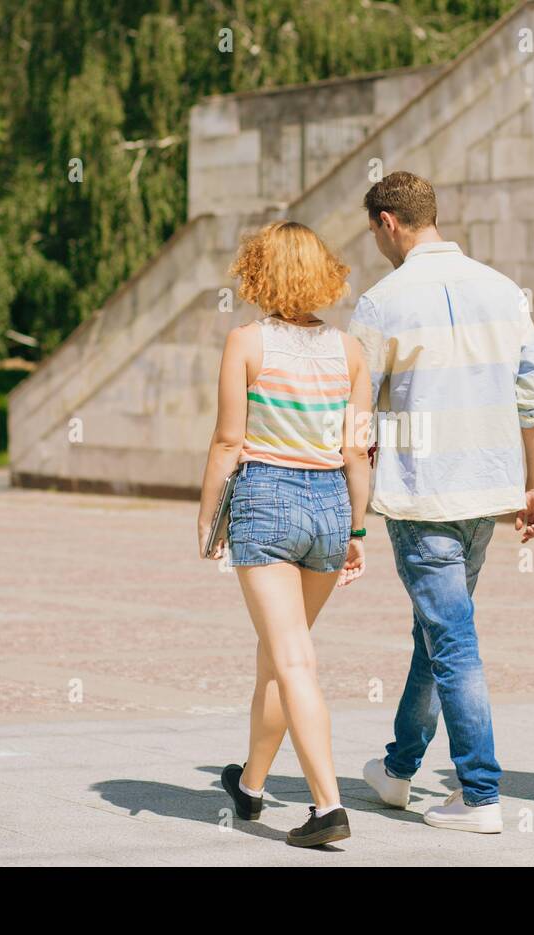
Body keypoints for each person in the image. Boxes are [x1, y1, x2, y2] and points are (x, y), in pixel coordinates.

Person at [350, 171, 534, 833]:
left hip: (422, 493)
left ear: (388, 222)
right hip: (488, 491)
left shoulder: (382, 302)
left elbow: (357, 414)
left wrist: (347, 501)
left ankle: (478, 791)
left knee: (453, 641)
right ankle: (400, 769)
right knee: (439, 633)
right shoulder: (503, 291)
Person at [197, 221, 372, 848]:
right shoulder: (350, 352)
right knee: (276, 655)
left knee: (293, 659)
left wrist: (206, 513)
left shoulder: (246, 342)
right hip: (329, 507)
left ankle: (328, 806)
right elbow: (358, 454)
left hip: (267, 500)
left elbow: (226, 440)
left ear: (258, 273)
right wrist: (355, 528)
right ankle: (250, 786)